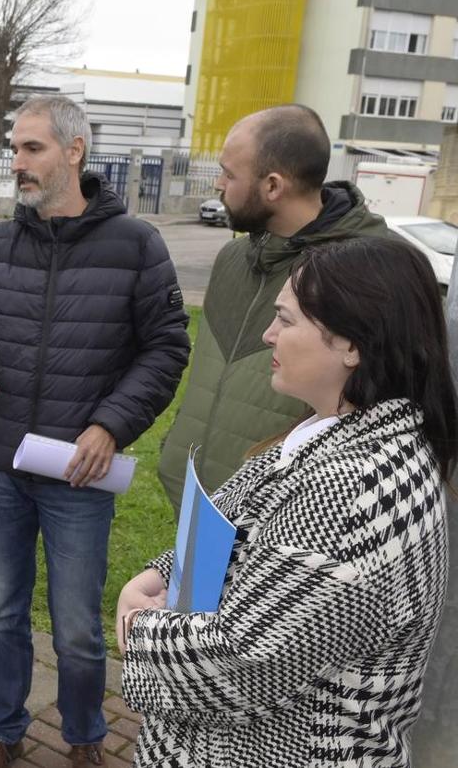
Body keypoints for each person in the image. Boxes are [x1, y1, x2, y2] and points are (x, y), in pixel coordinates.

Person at [0, 95, 191, 768]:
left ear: (74, 152)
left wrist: (110, 425)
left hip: (79, 470)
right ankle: (4, 731)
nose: (17, 163)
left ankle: (83, 739)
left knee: (76, 629)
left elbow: (166, 349)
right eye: (14, 149)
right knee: (3, 611)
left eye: (31, 148)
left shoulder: (137, 245)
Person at [117, 237, 455, 767]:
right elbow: (238, 530)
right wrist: (162, 575)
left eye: (287, 320)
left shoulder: (352, 486)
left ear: (352, 344)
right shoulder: (332, 431)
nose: (267, 334)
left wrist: (141, 629)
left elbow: (243, 661)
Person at [156, 104, 390, 509]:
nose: (218, 184)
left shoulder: (369, 273)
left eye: (229, 174)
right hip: (199, 501)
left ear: (273, 186)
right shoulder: (233, 259)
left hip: (288, 516)